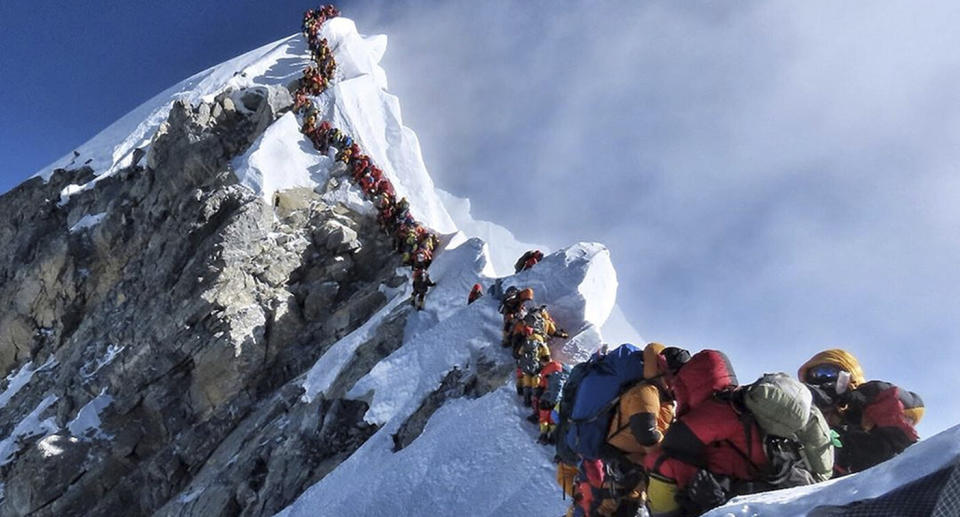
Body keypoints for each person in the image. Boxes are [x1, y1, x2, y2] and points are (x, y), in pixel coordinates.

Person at [645, 349, 764, 517]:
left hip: (739, 485)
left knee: (659, 461)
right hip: (737, 477)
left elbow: (675, 441)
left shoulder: (718, 406)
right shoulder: (731, 400)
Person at [798, 349, 924, 475]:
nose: (820, 379)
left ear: (848, 377)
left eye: (827, 372)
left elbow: (914, 408)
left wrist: (876, 392)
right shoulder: (804, 418)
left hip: (881, 479)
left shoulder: (866, 411)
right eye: (814, 375)